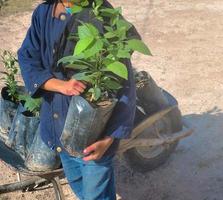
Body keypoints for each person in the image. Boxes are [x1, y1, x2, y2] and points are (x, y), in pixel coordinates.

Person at [17, 0, 137, 199]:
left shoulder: (103, 14)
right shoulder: (44, 12)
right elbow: (28, 57)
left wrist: (109, 138)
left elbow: (125, 85)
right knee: (78, 184)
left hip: (94, 137)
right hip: (60, 127)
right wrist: (60, 85)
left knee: (95, 193)